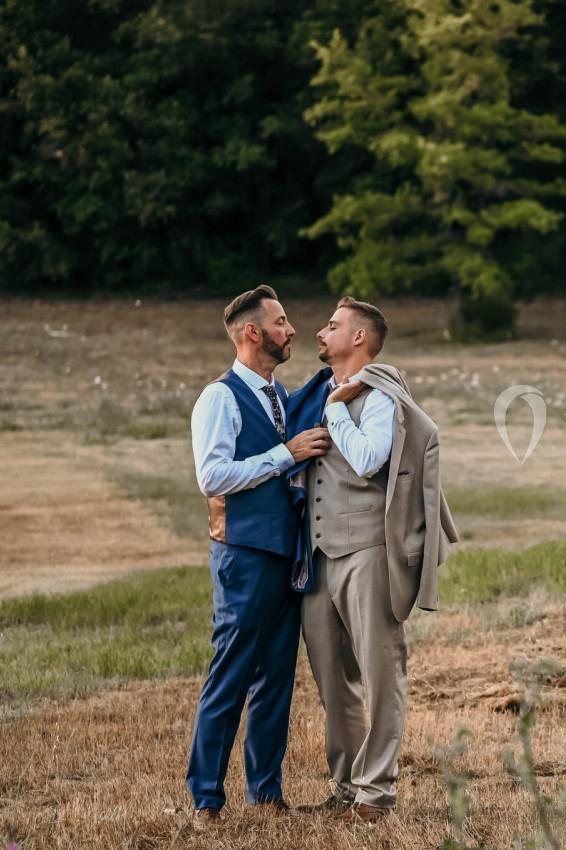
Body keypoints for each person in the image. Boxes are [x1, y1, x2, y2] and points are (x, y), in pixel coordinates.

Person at [295, 296, 458, 823]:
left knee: (381, 673)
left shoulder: (379, 397)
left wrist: (338, 411)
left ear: (360, 338)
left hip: (367, 551)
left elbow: (367, 460)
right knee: (330, 675)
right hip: (318, 556)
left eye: (333, 325)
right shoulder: (319, 392)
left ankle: (377, 793)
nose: (321, 332)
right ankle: (345, 785)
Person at [186, 285, 331, 828]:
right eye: (281, 321)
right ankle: (205, 800)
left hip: (284, 555)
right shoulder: (218, 398)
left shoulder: (281, 396)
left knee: (275, 678)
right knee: (231, 673)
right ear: (254, 332)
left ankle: (266, 793)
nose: (292, 330)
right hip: (243, 555)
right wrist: (283, 455)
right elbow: (213, 476)